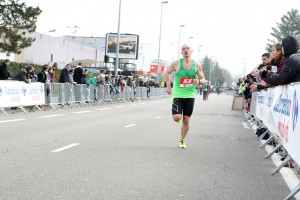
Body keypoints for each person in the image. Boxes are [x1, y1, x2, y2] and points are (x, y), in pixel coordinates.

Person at [165, 44, 206, 149]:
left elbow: (203, 79)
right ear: (181, 52)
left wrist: (199, 81)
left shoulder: (196, 65)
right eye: (183, 49)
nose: (186, 50)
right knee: (177, 117)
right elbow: (167, 73)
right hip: (178, 94)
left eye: (187, 48)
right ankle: (178, 118)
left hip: (190, 95)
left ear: (191, 51)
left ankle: (181, 140)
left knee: (186, 120)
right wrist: (168, 86)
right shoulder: (176, 63)